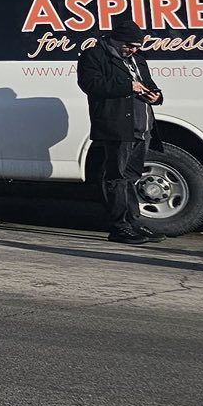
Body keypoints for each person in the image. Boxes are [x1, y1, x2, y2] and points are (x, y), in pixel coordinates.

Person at [79, 15, 166, 244]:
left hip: (141, 125)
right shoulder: (95, 55)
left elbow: (149, 84)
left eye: (138, 46)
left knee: (132, 177)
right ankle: (119, 227)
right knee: (117, 177)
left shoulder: (138, 59)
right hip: (117, 126)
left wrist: (156, 96)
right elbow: (90, 85)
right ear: (116, 41)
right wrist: (128, 86)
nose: (134, 50)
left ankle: (133, 222)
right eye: (130, 46)